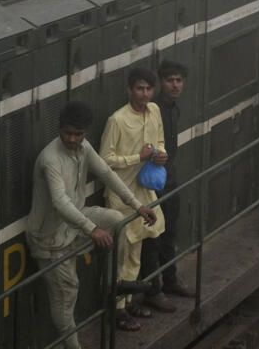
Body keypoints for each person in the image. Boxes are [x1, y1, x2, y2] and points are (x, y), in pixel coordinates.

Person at [26, 101, 156, 349]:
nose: (73, 139)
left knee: (117, 221)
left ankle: (112, 283)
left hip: (74, 223)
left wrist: (137, 206)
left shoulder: (83, 147)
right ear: (59, 129)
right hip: (49, 238)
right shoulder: (49, 159)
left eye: (78, 134)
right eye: (68, 133)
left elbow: (106, 173)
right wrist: (91, 229)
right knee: (67, 294)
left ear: (85, 133)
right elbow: (60, 202)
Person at [99, 68, 171, 330]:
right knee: (122, 253)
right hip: (121, 195)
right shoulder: (116, 120)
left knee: (136, 252)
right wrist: (137, 158)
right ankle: (116, 310)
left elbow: (159, 140)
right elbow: (104, 160)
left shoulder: (154, 111)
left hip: (144, 192)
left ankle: (128, 302)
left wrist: (160, 154)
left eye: (148, 89)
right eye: (139, 88)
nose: (144, 93)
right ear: (130, 90)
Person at [137, 61, 195, 305]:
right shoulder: (153, 110)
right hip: (152, 183)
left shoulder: (173, 109)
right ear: (161, 83)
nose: (175, 85)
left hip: (169, 179)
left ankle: (170, 279)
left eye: (179, 80)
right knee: (153, 236)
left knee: (169, 230)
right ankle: (153, 290)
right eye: (170, 80)